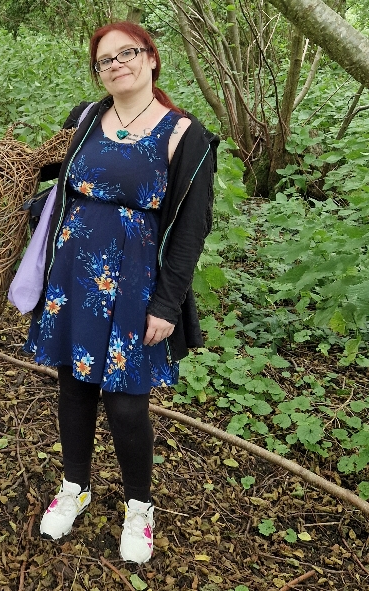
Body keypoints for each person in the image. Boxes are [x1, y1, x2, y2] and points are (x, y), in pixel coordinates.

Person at [23, 21, 220, 563]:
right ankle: (75, 488)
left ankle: (140, 508)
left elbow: (191, 227)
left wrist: (166, 303)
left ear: (151, 59)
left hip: (133, 285)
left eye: (126, 53)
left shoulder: (184, 134)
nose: (115, 64)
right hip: (71, 277)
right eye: (104, 59)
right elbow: (44, 176)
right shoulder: (85, 119)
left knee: (128, 404)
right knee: (74, 389)